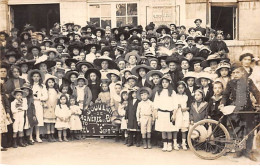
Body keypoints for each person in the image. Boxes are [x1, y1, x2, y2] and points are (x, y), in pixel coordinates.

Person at [220, 64, 260, 161]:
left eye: (237, 72)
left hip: (248, 110)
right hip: (236, 110)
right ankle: (239, 150)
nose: (235, 74)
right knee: (237, 130)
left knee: (249, 131)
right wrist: (222, 103)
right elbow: (225, 95)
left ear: (242, 72)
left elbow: (256, 93)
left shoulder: (248, 82)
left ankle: (248, 152)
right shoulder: (230, 83)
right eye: (233, 73)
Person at [154, 75, 176, 152]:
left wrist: (174, 114)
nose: (164, 84)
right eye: (163, 82)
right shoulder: (158, 92)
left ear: (169, 83)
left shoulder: (172, 92)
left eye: (166, 82)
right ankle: (165, 144)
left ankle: (169, 145)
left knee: (169, 130)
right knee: (163, 129)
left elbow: (175, 105)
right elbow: (156, 104)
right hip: (161, 113)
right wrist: (156, 113)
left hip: (169, 113)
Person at [27, 69, 48, 143]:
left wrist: (39, 98)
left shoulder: (42, 86)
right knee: (31, 119)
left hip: (38, 103)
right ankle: (30, 137)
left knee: (38, 119)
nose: (36, 78)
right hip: (30, 104)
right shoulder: (29, 86)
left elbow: (45, 96)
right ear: (32, 77)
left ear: (40, 77)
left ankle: (37, 136)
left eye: (37, 76)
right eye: (34, 76)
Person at [172, 81, 190, 151]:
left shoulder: (186, 96)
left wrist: (186, 108)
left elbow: (189, 106)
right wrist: (177, 106)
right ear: (176, 88)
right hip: (177, 113)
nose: (180, 89)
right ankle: (175, 143)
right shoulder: (175, 96)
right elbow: (174, 105)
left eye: (182, 88)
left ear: (184, 88)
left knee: (184, 129)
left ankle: (183, 143)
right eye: (179, 88)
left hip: (184, 113)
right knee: (176, 129)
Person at [44, 75, 59, 142]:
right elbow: (44, 98)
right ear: (47, 83)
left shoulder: (56, 90)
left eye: (52, 82)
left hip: (54, 107)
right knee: (48, 122)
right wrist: (44, 104)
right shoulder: (46, 90)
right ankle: (48, 134)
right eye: (49, 82)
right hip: (48, 107)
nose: (51, 84)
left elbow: (58, 98)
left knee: (53, 122)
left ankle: (52, 134)